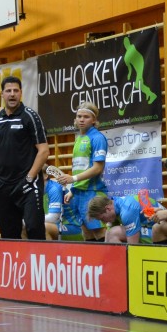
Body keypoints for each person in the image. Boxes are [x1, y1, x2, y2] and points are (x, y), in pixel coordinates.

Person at [0, 76, 49, 240]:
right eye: (8, 91)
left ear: (21, 93)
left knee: (34, 228)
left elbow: (44, 151)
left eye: (16, 91)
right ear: (2, 94)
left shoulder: (30, 117)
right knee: (8, 235)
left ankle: (39, 264)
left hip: (28, 184)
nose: (12, 94)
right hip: (3, 186)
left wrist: (29, 177)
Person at [55, 102, 107, 240]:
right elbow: (80, 167)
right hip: (79, 193)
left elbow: (97, 168)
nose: (82, 120)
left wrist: (73, 180)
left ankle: (107, 261)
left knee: (98, 231)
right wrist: (73, 190)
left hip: (93, 192)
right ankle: (92, 262)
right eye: (79, 116)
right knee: (86, 231)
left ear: (94, 120)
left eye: (86, 117)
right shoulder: (79, 138)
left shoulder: (97, 138)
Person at [86, 193, 157, 243]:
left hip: (159, 231)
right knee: (109, 233)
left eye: (102, 218)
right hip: (151, 227)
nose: (103, 222)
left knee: (114, 233)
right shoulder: (116, 204)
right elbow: (107, 241)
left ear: (108, 209)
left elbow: (133, 245)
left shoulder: (127, 211)